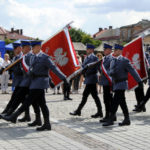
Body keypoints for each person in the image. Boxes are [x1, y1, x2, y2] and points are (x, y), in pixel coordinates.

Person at [1, 40, 69, 131]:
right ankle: (46, 123)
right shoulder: (33, 57)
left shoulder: (45, 57)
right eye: (31, 47)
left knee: (28, 101)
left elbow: (54, 68)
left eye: (33, 47)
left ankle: (14, 116)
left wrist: (64, 78)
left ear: (39, 47)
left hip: (40, 82)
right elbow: (31, 69)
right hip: (34, 82)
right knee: (42, 104)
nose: (32, 49)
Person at [103, 44, 142, 127]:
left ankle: (110, 119)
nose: (114, 51)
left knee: (115, 101)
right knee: (122, 102)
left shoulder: (125, 60)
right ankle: (127, 119)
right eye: (114, 50)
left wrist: (139, 81)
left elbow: (132, 71)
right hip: (115, 84)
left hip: (122, 84)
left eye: (116, 50)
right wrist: (111, 72)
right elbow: (110, 71)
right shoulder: (113, 60)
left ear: (120, 51)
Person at [70, 44, 103, 118]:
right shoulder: (86, 58)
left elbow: (97, 67)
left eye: (88, 49)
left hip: (92, 79)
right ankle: (99, 112)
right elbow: (84, 67)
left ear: (92, 50)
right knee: (93, 96)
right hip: (88, 78)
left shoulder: (94, 58)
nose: (87, 50)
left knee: (87, 96)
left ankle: (78, 110)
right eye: (87, 49)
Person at [0, 43, 23, 115]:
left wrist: (10, 69)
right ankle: (27, 115)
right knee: (22, 99)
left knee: (16, 97)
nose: (14, 50)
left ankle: (8, 112)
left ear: (19, 48)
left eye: (15, 48)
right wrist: (4, 68)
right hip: (18, 80)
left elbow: (20, 68)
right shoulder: (16, 57)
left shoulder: (22, 56)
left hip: (22, 80)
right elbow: (11, 65)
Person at [99, 44, 114, 123]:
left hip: (109, 82)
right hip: (105, 82)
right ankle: (109, 115)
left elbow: (111, 70)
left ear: (109, 50)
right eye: (104, 49)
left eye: (105, 49)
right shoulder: (104, 58)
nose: (104, 51)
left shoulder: (111, 58)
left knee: (109, 100)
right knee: (106, 100)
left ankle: (110, 116)